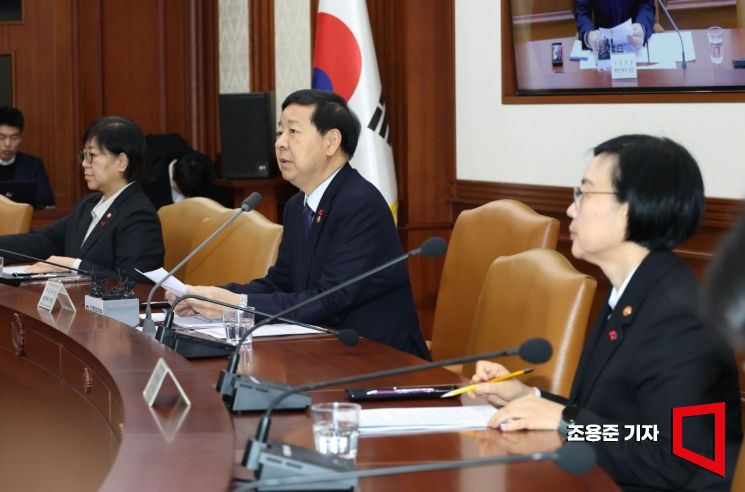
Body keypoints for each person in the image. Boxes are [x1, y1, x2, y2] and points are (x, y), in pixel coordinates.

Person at [469, 135, 742, 490]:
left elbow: (676, 454)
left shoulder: (681, 317)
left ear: (632, 207)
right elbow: (616, 421)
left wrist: (569, 422)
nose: (571, 209)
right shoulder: (632, 291)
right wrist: (528, 399)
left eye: (584, 193)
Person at [168, 89, 429, 359]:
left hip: (379, 358)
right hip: (322, 350)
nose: (280, 143)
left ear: (331, 142)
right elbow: (281, 282)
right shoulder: (297, 206)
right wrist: (212, 297)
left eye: (293, 132)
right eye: (279, 132)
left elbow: (331, 299)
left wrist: (237, 305)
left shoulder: (360, 204)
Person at [0, 116, 164, 282]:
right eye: (84, 156)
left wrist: (74, 265)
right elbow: (43, 241)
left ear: (121, 162)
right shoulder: (87, 205)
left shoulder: (139, 215)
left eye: (91, 155)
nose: (85, 163)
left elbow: (135, 283)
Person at [0, 106, 55, 208]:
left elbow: (47, 201)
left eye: (14, 138)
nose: (8, 144)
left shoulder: (34, 166)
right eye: (1, 137)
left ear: (20, 138)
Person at [575, 0, 655, 51]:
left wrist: (642, 26)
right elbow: (582, 11)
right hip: (601, 43)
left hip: (636, 42)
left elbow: (646, 4)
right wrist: (588, 35)